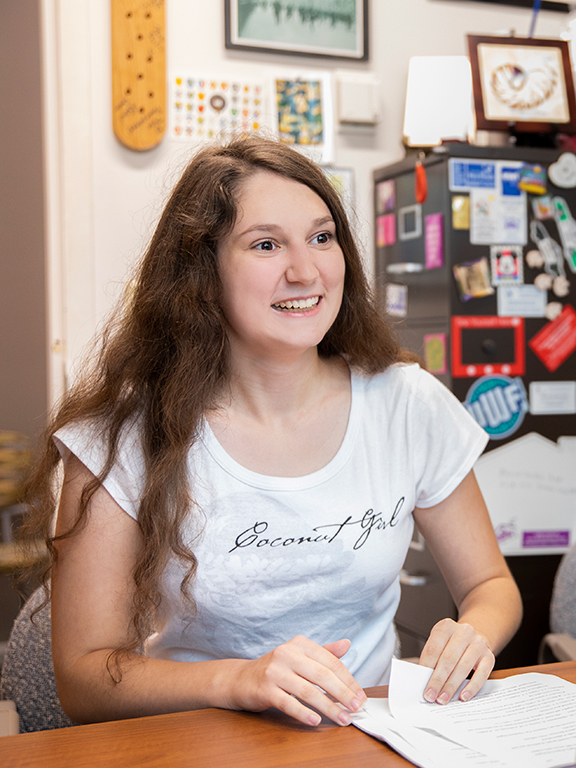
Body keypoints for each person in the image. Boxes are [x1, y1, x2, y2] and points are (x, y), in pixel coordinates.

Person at [21, 135, 522, 728]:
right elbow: (84, 679)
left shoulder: (406, 403)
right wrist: (241, 678)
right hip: (201, 742)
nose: (305, 270)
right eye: (265, 244)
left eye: (322, 236)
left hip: (371, 737)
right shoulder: (121, 437)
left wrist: (474, 634)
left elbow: (491, 584)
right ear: (201, 273)